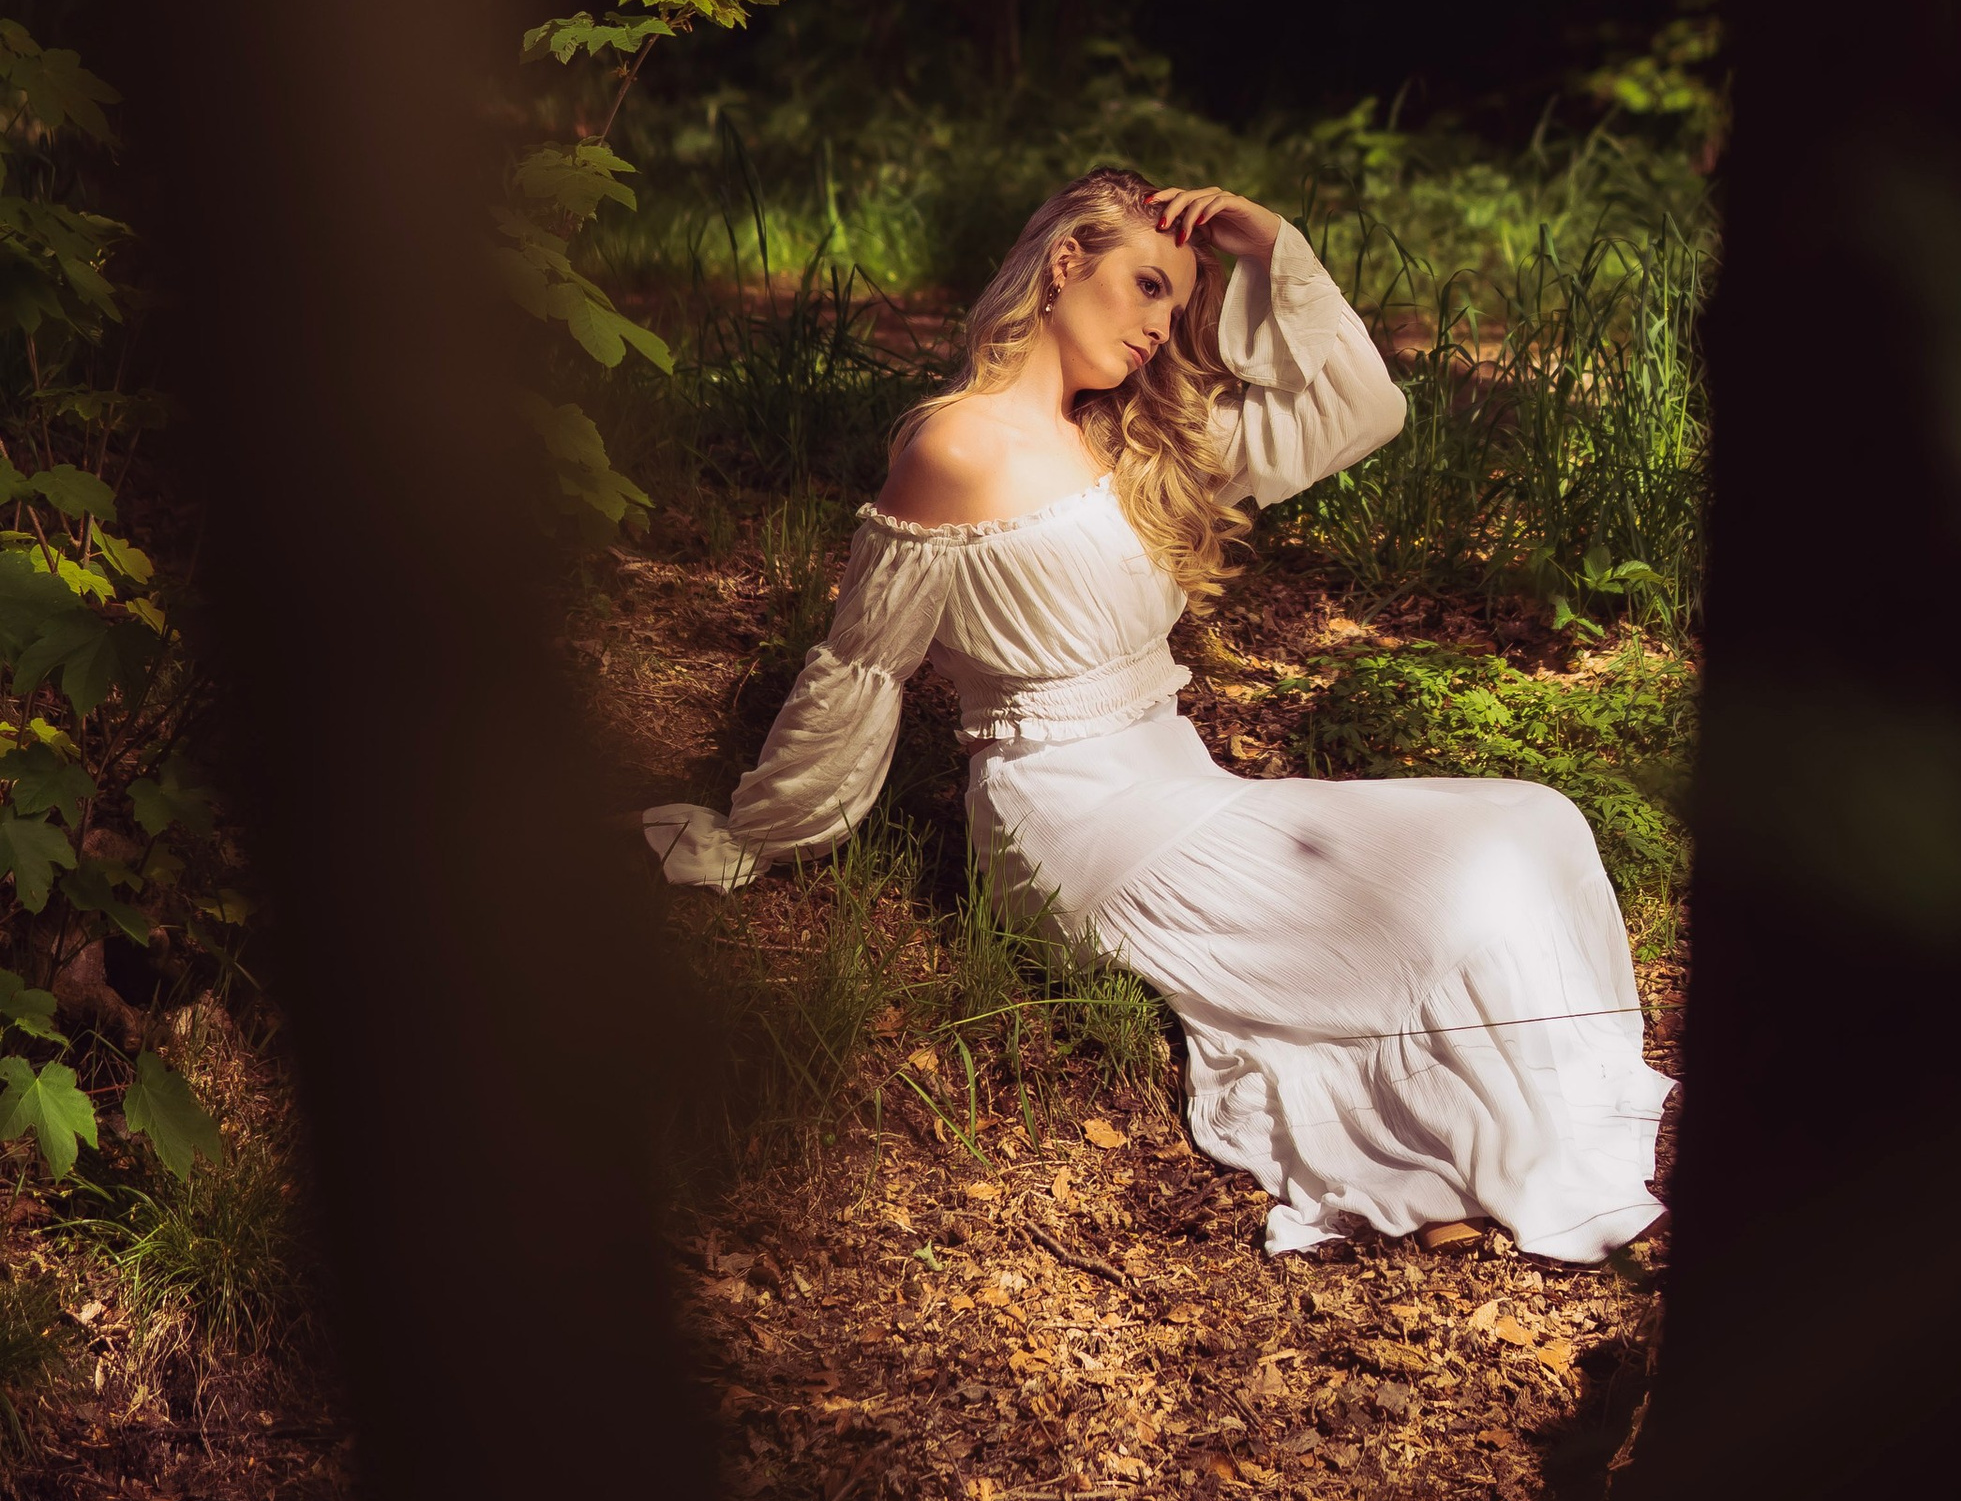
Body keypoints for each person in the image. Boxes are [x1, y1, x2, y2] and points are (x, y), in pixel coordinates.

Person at [644, 167, 1669, 1260]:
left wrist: (1271, 246)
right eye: (1144, 286)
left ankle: (1550, 1097)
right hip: (1069, 824)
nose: (1157, 327)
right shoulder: (952, 449)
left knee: (1533, 822)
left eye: (1176, 302)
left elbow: (1367, 407)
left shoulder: (1138, 443)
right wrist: (768, 831)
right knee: (1450, 891)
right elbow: (858, 669)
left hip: (1180, 786)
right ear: (1062, 263)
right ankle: (1490, 1121)